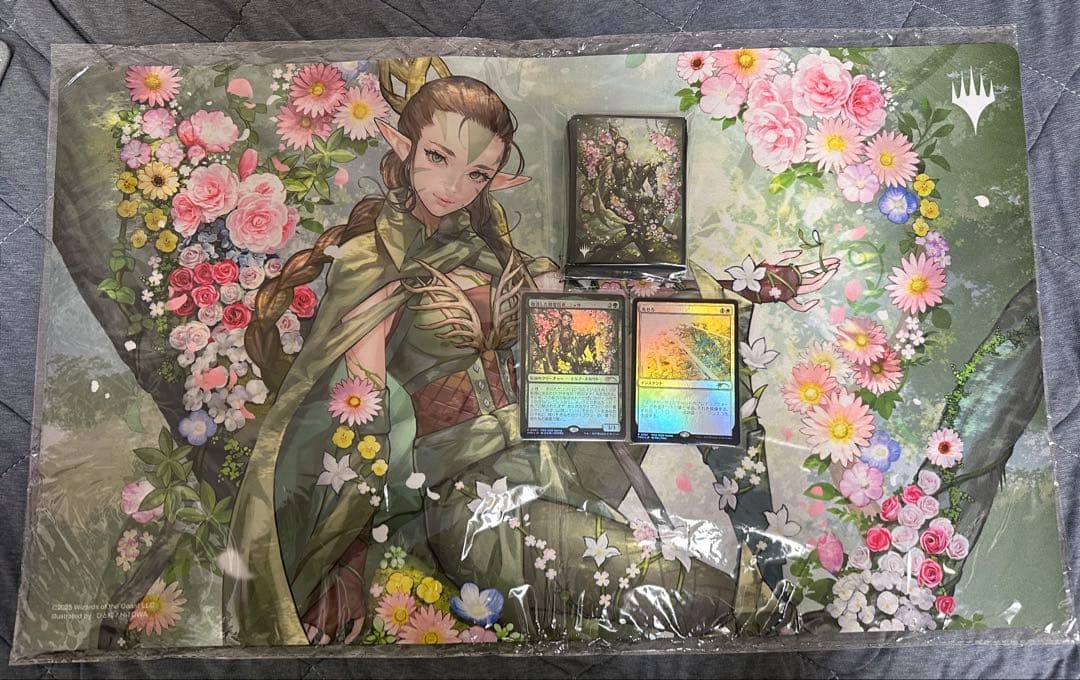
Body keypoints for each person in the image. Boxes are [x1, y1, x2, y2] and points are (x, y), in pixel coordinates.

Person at [224, 73, 739, 647]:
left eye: (477, 174)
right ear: (404, 147)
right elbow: (359, 414)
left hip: (551, 467)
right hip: (463, 502)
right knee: (686, 588)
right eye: (438, 157)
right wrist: (351, 552)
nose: (454, 186)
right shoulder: (374, 261)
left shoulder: (493, 255)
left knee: (686, 582)